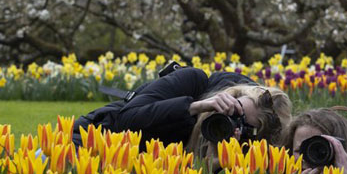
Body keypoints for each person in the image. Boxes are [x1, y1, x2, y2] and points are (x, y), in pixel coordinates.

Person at [72, 65, 292, 159]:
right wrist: (194, 107)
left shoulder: (238, 147)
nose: (230, 119)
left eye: (243, 125)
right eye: (235, 108)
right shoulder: (193, 82)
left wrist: (216, 163)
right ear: (234, 93)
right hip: (92, 142)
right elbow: (127, 120)